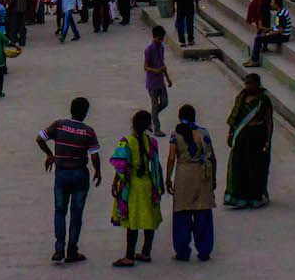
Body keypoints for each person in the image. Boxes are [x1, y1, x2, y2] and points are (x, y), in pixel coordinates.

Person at [35, 97, 103, 263]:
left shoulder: (59, 125)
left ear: (71, 109)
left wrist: (50, 154)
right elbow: (94, 155)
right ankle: (72, 250)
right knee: (76, 213)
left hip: (62, 174)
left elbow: (39, 138)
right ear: (85, 113)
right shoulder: (88, 131)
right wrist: (98, 172)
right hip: (80, 173)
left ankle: (59, 248)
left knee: (60, 210)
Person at [109, 110, 165, 267]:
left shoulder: (126, 141)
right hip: (148, 184)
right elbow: (155, 165)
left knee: (132, 220)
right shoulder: (152, 142)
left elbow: (120, 166)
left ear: (133, 123)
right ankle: (146, 252)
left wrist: (115, 183)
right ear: (148, 125)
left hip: (133, 185)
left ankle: (129, 256)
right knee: (149, 218)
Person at [165, 104, 216, 261]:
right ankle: (204, 250)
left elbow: (172, 158)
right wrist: (213, 179)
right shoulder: (204, 133)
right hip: (202, 175)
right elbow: (212, 157)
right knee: (203, 212)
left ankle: (182, 251)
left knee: (182, 212)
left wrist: (168, 178)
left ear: (180, 117)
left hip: (184, 175)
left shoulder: (176, 134)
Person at [224, 73, 274, 209]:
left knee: (256, 167)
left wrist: (268, 140)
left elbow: (269, 121)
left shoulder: (264, 100)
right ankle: (239, 197)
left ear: (257, 84)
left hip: (257, 137)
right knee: (239, 165)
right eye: (246, 83)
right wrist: (230, 134)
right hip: (242, 136)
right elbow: (235, 119)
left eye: (251, 83)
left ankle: (255, 196)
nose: (248, 86)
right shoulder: (241, 97)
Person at [244, 0, 292, 68]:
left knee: (258, 38)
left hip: (283, 36)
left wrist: (268, 34)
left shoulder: (281, 15)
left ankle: (255, 61)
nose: (271, 4)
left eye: (272, 3)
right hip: (281, 34)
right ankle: (255, 56)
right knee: (261, 33)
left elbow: (281, 30)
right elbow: (278, 26)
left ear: (277, 5)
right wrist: (268, 29)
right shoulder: (281, 11)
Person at [142, 25, 171, 137]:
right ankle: (157, 128)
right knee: (155, 105)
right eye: (159, 39)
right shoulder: (149, 50)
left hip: (161, 81)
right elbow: (145, 67)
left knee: (164, 103)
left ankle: (149, 118)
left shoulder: (161, 47)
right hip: (152, 82)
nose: (161, 41)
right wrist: (156, 70)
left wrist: (168, 78)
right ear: (154, 37)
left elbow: (162, 64)